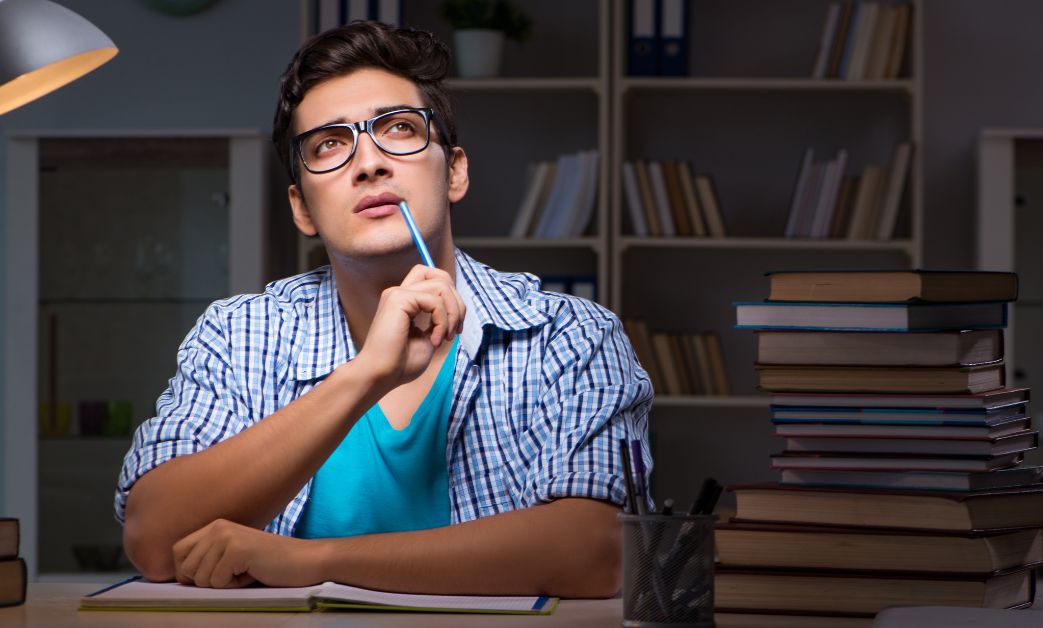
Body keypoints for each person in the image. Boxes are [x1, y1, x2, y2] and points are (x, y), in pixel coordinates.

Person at [115, 21, 653, 597]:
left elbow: (596, 552)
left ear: (455, 171)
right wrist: (366, 375)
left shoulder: (568, 334)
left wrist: (313, 560)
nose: (368, 163)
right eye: (329, 143)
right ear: (302, 208)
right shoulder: (238, 332)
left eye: (398, 129)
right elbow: (154, 539)